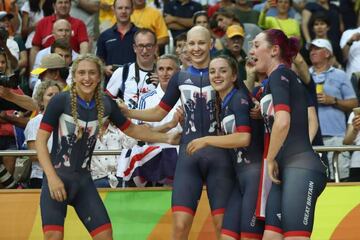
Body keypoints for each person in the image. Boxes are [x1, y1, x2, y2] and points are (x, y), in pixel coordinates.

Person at [35, 53, 179, 240]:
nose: (87, 78)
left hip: (84, 182)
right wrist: (52, 178)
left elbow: (134, 131)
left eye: (92, 73)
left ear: (100, 77)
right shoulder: (59, 101)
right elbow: (40, 142)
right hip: (57, 178)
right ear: (74, 75)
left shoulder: (106, 104)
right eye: (82, 73)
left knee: (105, 236)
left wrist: (167, 138)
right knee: (54, 237)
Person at [120, 26, 235, 240]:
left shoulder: (223, 72)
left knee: (222, 226)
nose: (196, 48)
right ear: (184, 47)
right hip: (188, 158)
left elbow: (244, 104)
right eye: (191, 44)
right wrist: (128, 111)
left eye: (201, 43)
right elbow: (157, 113)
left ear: (210, 44)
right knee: (180, 227)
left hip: (220, 159)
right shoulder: (179, 78)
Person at [249, 29, 327, 239]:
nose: (251, 51)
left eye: (256, 45)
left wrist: (271, 158)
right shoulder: (275, 80)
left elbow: (283, 122)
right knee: (271, 236)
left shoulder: (281, 74)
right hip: (286, 169)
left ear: (274, 50)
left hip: (300, 167)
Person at [186, 55, 265, 240]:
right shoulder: (224, 102)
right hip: (240, 179)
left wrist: (206, 140)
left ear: (234, 76)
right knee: (227, 236)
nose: (217, 75)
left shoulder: (238, 99)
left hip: (255, 178)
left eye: (223, 71)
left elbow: (244, 138)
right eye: (212, 71)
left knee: (248, 237)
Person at [309, 38, 358, 180]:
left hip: (336, 136)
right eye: (311, 49)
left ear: (327, 53)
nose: (312, 52)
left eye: (317, 49)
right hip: (310, 138)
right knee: (315, 180)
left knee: (340, 179)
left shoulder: (340, 75)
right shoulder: (304, 75)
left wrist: (334, 100)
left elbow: (354, 103)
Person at [105, 28, 158, 109]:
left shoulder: (164, 73)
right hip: (129, 120)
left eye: (149, 46)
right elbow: (106, 102)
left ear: (155, 48)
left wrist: (162, 87)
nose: (144, 51)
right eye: (140, 46)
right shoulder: (122, 72)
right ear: (134, 48)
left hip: (156, 120)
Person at [25, 80, 63, 188]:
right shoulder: (35, 122)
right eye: (50, 95)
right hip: (41, 177)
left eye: (57, 95)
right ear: (41, 101)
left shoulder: (68, 120)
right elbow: (34, 155)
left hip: (64, 175)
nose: (55, 98)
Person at [30, 0, 89, 70]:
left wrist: (81, 66)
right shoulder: (43, 23)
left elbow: (84, 46)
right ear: (54, 5)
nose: (63, 5)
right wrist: (33, 75)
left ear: (70, 5)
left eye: (66, 2)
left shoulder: (79, 24)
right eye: (60, 2)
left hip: (71, 65)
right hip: (46, 66)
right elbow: (35, 49)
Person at [96, 0, 138, 78]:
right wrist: (104, 68)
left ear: (132, 10)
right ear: (113, 10)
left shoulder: (140, 35)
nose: (123, 11)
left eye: (127, 8)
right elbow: (99, 61)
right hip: (110, 83)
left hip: (136, 83)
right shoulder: (104, 36)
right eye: (120, 8)